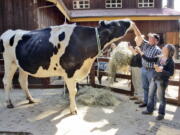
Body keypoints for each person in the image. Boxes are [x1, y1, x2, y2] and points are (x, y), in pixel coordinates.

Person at [136, 44, 175, 120]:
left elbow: (171, 73)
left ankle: (161, 114)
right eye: (163, 47)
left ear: (169, 51)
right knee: (150, 95)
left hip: (162, 81)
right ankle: (149, 110)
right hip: (154, 78)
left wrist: (162, 70)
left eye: (164, 48)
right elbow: (148, 59)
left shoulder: (171, 61)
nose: (163, 48)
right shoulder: (159, 57)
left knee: (161, 98)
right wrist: (140, 52)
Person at [132, 23, 161, 108]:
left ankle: (152, 105)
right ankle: (145, 102)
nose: (149, 39)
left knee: (152, 88)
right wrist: (134, 26)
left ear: (156, 41)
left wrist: (140, 53)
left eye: (151, 38)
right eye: (149, 38)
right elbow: (139, 35)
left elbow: (150, 59)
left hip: (152, 70)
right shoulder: (146, 45)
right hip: (144, 69)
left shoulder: (158, 50)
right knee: (145, 87)